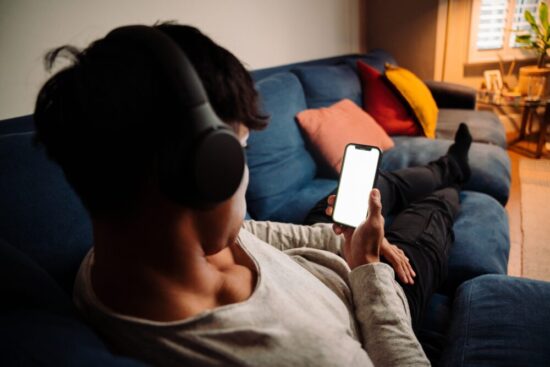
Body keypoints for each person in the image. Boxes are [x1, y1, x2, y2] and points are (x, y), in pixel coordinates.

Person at [33, 22, 471, 366]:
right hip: (375, 296)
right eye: (241, 149)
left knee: (382, 189)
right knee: (436, 207)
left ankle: (446, 165)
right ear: (209, 170)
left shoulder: (124, 250)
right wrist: (369, 266)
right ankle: (453, 178)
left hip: (333, 248)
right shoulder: (303, 357)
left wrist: (344, 239)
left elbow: (247, 230)